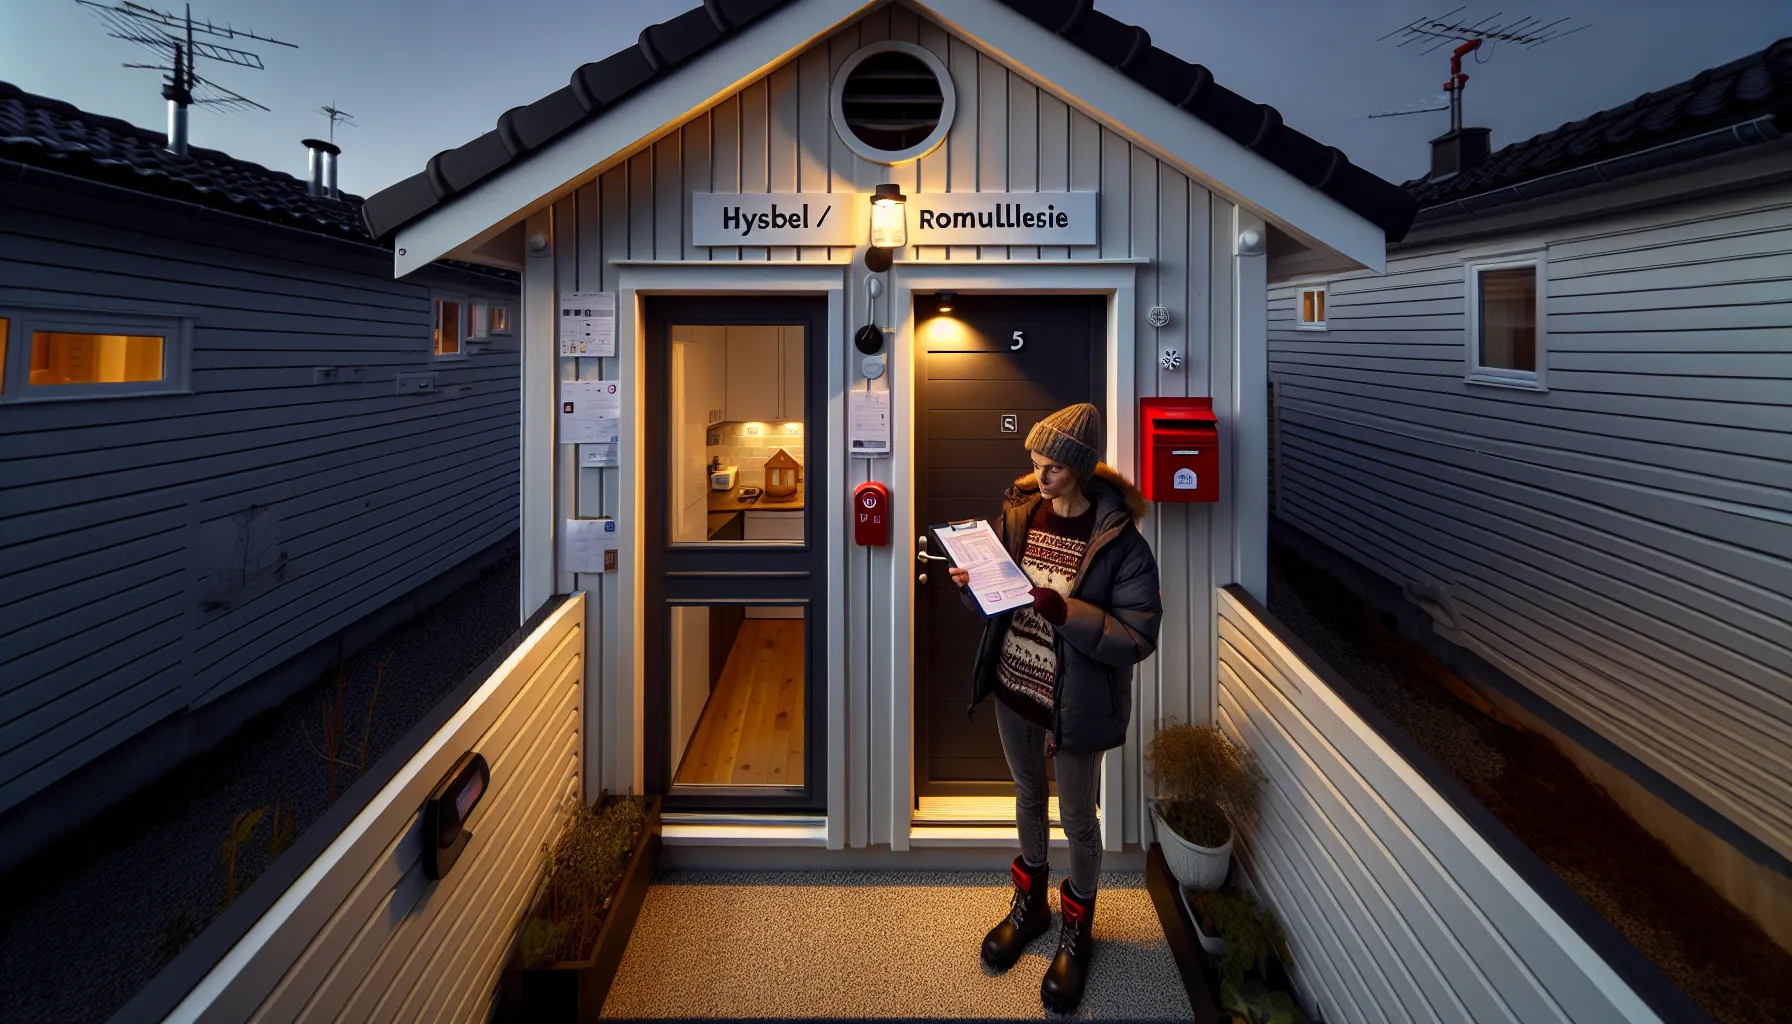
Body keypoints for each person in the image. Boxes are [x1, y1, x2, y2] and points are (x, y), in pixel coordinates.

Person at [947, 402, 1161, 1013]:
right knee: (1025, 793)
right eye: (1035, 465)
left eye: (1052, 469)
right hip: (1016, 684)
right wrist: (974, 589)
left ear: (1079, 468)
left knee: (1078, 818)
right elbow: (1001, 602)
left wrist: (1065, 611)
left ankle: (1077, 926)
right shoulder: (1021, 513)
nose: (1039, 478)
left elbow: (1138, 636)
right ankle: (1032, 905)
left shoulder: (1119, 540)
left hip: (1076, 701)